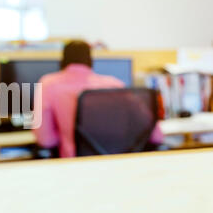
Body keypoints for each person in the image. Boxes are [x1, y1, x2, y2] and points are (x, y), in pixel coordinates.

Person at [33, 40, 163, 158]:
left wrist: (65, 136)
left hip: (76, 169)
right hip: (119, 165)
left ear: (62, 62)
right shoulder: (115, 84)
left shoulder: (48, 84)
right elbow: (156, 135)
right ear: (91, 61)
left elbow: (45, 140)